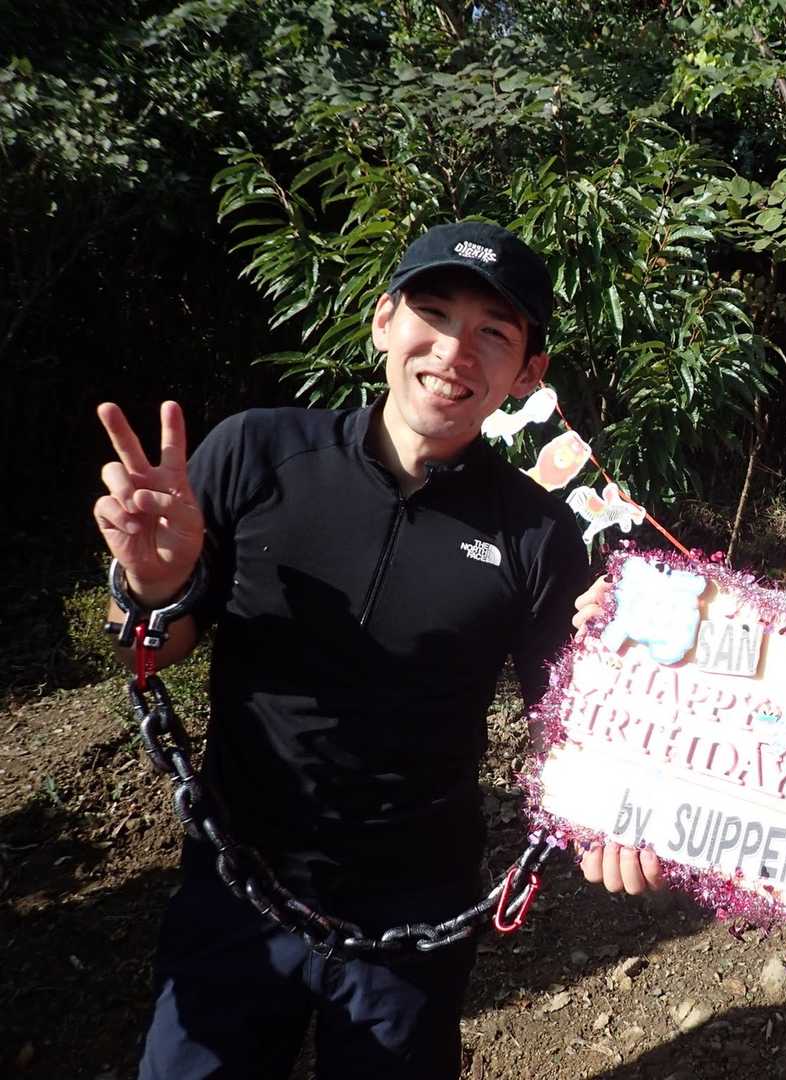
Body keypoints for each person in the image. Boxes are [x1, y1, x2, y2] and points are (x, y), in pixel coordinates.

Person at [93, 221, 603, 1079]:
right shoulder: (257, 452)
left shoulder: (539, 533)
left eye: (494, 333)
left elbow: (570, 721)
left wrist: (630, 729)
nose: (454, 351)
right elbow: (155, 648)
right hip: (236, 880)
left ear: (528, 374)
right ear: (383, 321)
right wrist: (150, 585)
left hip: (415, 911)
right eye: (433, 314)